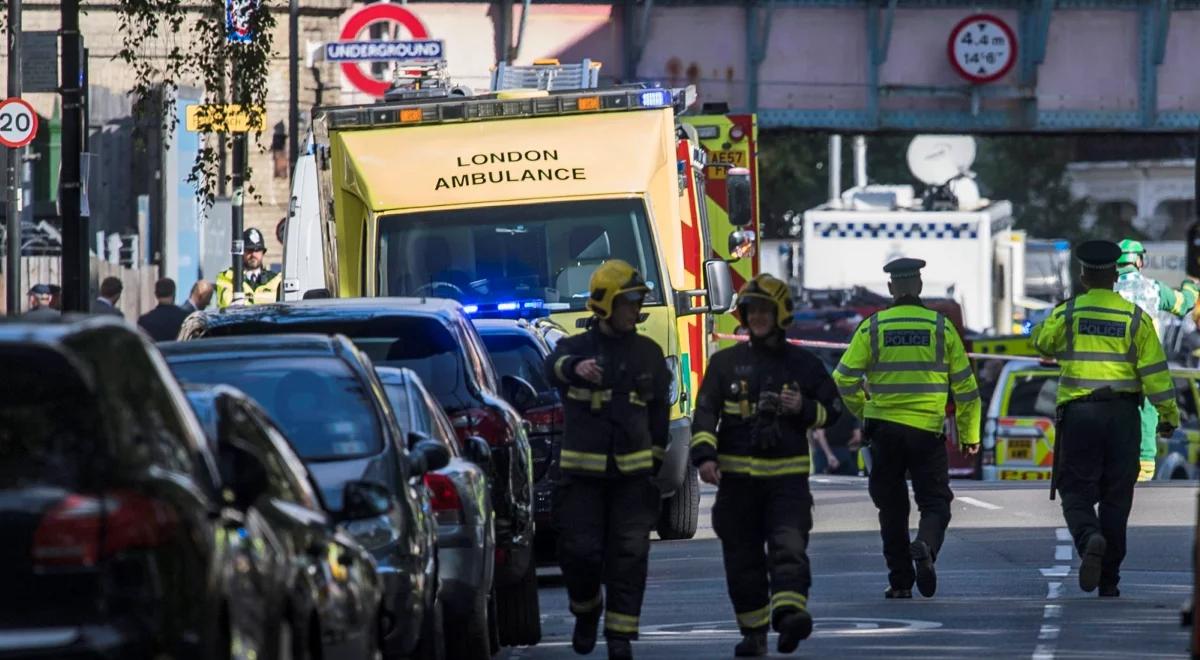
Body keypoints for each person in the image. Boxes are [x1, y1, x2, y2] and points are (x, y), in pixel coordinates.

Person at [690, 274, 842, 657]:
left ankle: (790, 616)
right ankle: (753, 634)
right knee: (743, 563)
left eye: (765, 310)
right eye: (752, 310)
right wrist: (705, 458)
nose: (757, 317)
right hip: (737, 484)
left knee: (789, 549)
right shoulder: (725, 364)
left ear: (780, 315)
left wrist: (802, 408)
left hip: (787, 482)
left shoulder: (804, 365)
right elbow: (705, 412)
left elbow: (835, 411)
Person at [1031, 240, 1179, 597]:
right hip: (1124, 417)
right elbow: (1157, 375)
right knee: (1117, 497)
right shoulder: (1134, 318)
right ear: (1114, 275)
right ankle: (1109, 579)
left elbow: (1041, 342)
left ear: (1083, 276)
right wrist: (1168, 416)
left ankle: (1089, 537)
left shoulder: (1068, 313)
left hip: (1080, 416)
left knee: (1075, 492)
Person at [832, 257, 982, 599]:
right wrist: (970, 434)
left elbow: (842, 380)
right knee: (936, 502)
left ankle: (900, 582)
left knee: (891, 508)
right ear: (918, 286)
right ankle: (926, 546)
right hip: (927, 433)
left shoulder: (873, 327)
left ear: (891, 289)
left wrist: (865, 411)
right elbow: (966, 389)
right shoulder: (941, 328)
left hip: (884, 432)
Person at [543, 259, 671, 660]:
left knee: (629, 558)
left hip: (632, 483)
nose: (636, 309)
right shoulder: (575, 348)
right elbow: (552, 367)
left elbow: (659, 416)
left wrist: (651, 463)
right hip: (581, 482)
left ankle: (619, 638)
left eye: (637, 302)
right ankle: (586, 612)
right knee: (580, 554)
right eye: (629, 302)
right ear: (606, 305)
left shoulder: (649, 354)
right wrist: (575, 369)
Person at [1113, 238, 1198, 481]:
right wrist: (1190, 287)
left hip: (1110, 369)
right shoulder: (1153, 288)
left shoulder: (1106, 291)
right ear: (1139, 261)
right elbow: (1183, 305)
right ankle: (1143, 471)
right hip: (1145, 368)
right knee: (1147, 417)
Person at [215, 228, 282, 309]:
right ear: (242, 252)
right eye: (249, 250)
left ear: (263, 253)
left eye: (257, 250)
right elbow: (226, 304)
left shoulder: (275, 279)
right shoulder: (227, 277)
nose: (253, 254)